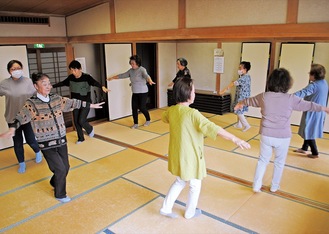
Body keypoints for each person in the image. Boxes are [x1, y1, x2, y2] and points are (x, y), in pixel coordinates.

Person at [0, 72, 104, 203]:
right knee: (60, 169)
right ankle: (60, 194)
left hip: (61, 139)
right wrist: (12, 128)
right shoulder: (32, 103)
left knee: (66, 167)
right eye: (44, 84)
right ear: (36, 86)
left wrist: (90, 105)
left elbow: (72, 102)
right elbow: (21, 116)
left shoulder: (55, 98)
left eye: (49, 83)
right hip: (46, 142)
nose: (48, 86)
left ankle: (54, 182)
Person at [160, 76, 250, 219]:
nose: (194, 94)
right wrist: (235, 138)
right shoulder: (192, 113)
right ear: (187, 93)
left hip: (178, 154)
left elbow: (164, 117)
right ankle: (190, 213)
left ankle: (165, 208)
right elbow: (213, 128)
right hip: (191, 157)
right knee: (195, 184)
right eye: (193, 91)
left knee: (180, 181)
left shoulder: (172, 110)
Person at [234, 68, 329, 193]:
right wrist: (324, 108)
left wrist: (239, 103)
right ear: (288, 84)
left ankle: (256, 185)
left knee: (263, 160)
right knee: (279, 162)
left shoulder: (264, 96)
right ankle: (274, 186)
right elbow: (309, 105)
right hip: (283, 136)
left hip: (266, 135)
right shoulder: (291, 98)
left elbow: (249, 100)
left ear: (270, 82)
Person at [52, 60, 109, 144]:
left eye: (75, 70)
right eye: (72, 70)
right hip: (75, 103)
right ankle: (81, 138)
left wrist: (102, 87)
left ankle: (90, 129)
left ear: (80, 69)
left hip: (86, 102)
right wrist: (51, 86)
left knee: (81, 120)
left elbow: (94, 82)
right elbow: (62, 83)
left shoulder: (87, 77)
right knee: (76, 121)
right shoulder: (71, 78)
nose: (73, 72)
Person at [0, 60, 42, 173]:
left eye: (18, 68)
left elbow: (37, 95)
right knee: (17, 142)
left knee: (31, 140)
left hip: (26, 117)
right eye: (13, 69)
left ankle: (38, 152)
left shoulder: (28, 82)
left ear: (22, 68)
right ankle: (21, 163)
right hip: (12, 117)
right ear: (9, 71)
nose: (16, 70)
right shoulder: (4, 83)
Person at [107, 55, 156, 129]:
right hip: (135, 92)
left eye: (133, 63)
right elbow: (122, 75)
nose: (131, 65)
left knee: (142, 107)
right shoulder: (130, 71)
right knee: (134, 108)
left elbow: (146, 76)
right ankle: (135, 123)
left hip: (143, 92)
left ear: (137, 63)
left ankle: (148, 120)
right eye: (131, 63)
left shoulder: (142, 69)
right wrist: (112, 78)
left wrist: (150, 81)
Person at [293, 64, 329, 159]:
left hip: (313, 111)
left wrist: (290, 97)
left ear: (314, 75)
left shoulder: (314, 85)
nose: (309, 75)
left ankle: (315, 152)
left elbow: (302, 92)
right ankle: (304, 148)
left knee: (309, 130)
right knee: (308, 129)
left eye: (310, 73)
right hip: (318, 111)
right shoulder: (324, 83)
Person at [220, 61, 251, 131]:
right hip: (242, 96)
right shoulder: (246, 76)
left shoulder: (244, 78)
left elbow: (233, 84)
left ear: (245, 69)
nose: (239, 69)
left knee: (239, 111)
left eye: (240, 68)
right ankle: (239, 124)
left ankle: (246, 125)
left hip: (242, 97)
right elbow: (237, 83)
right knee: (239, 110)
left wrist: (224, 90)